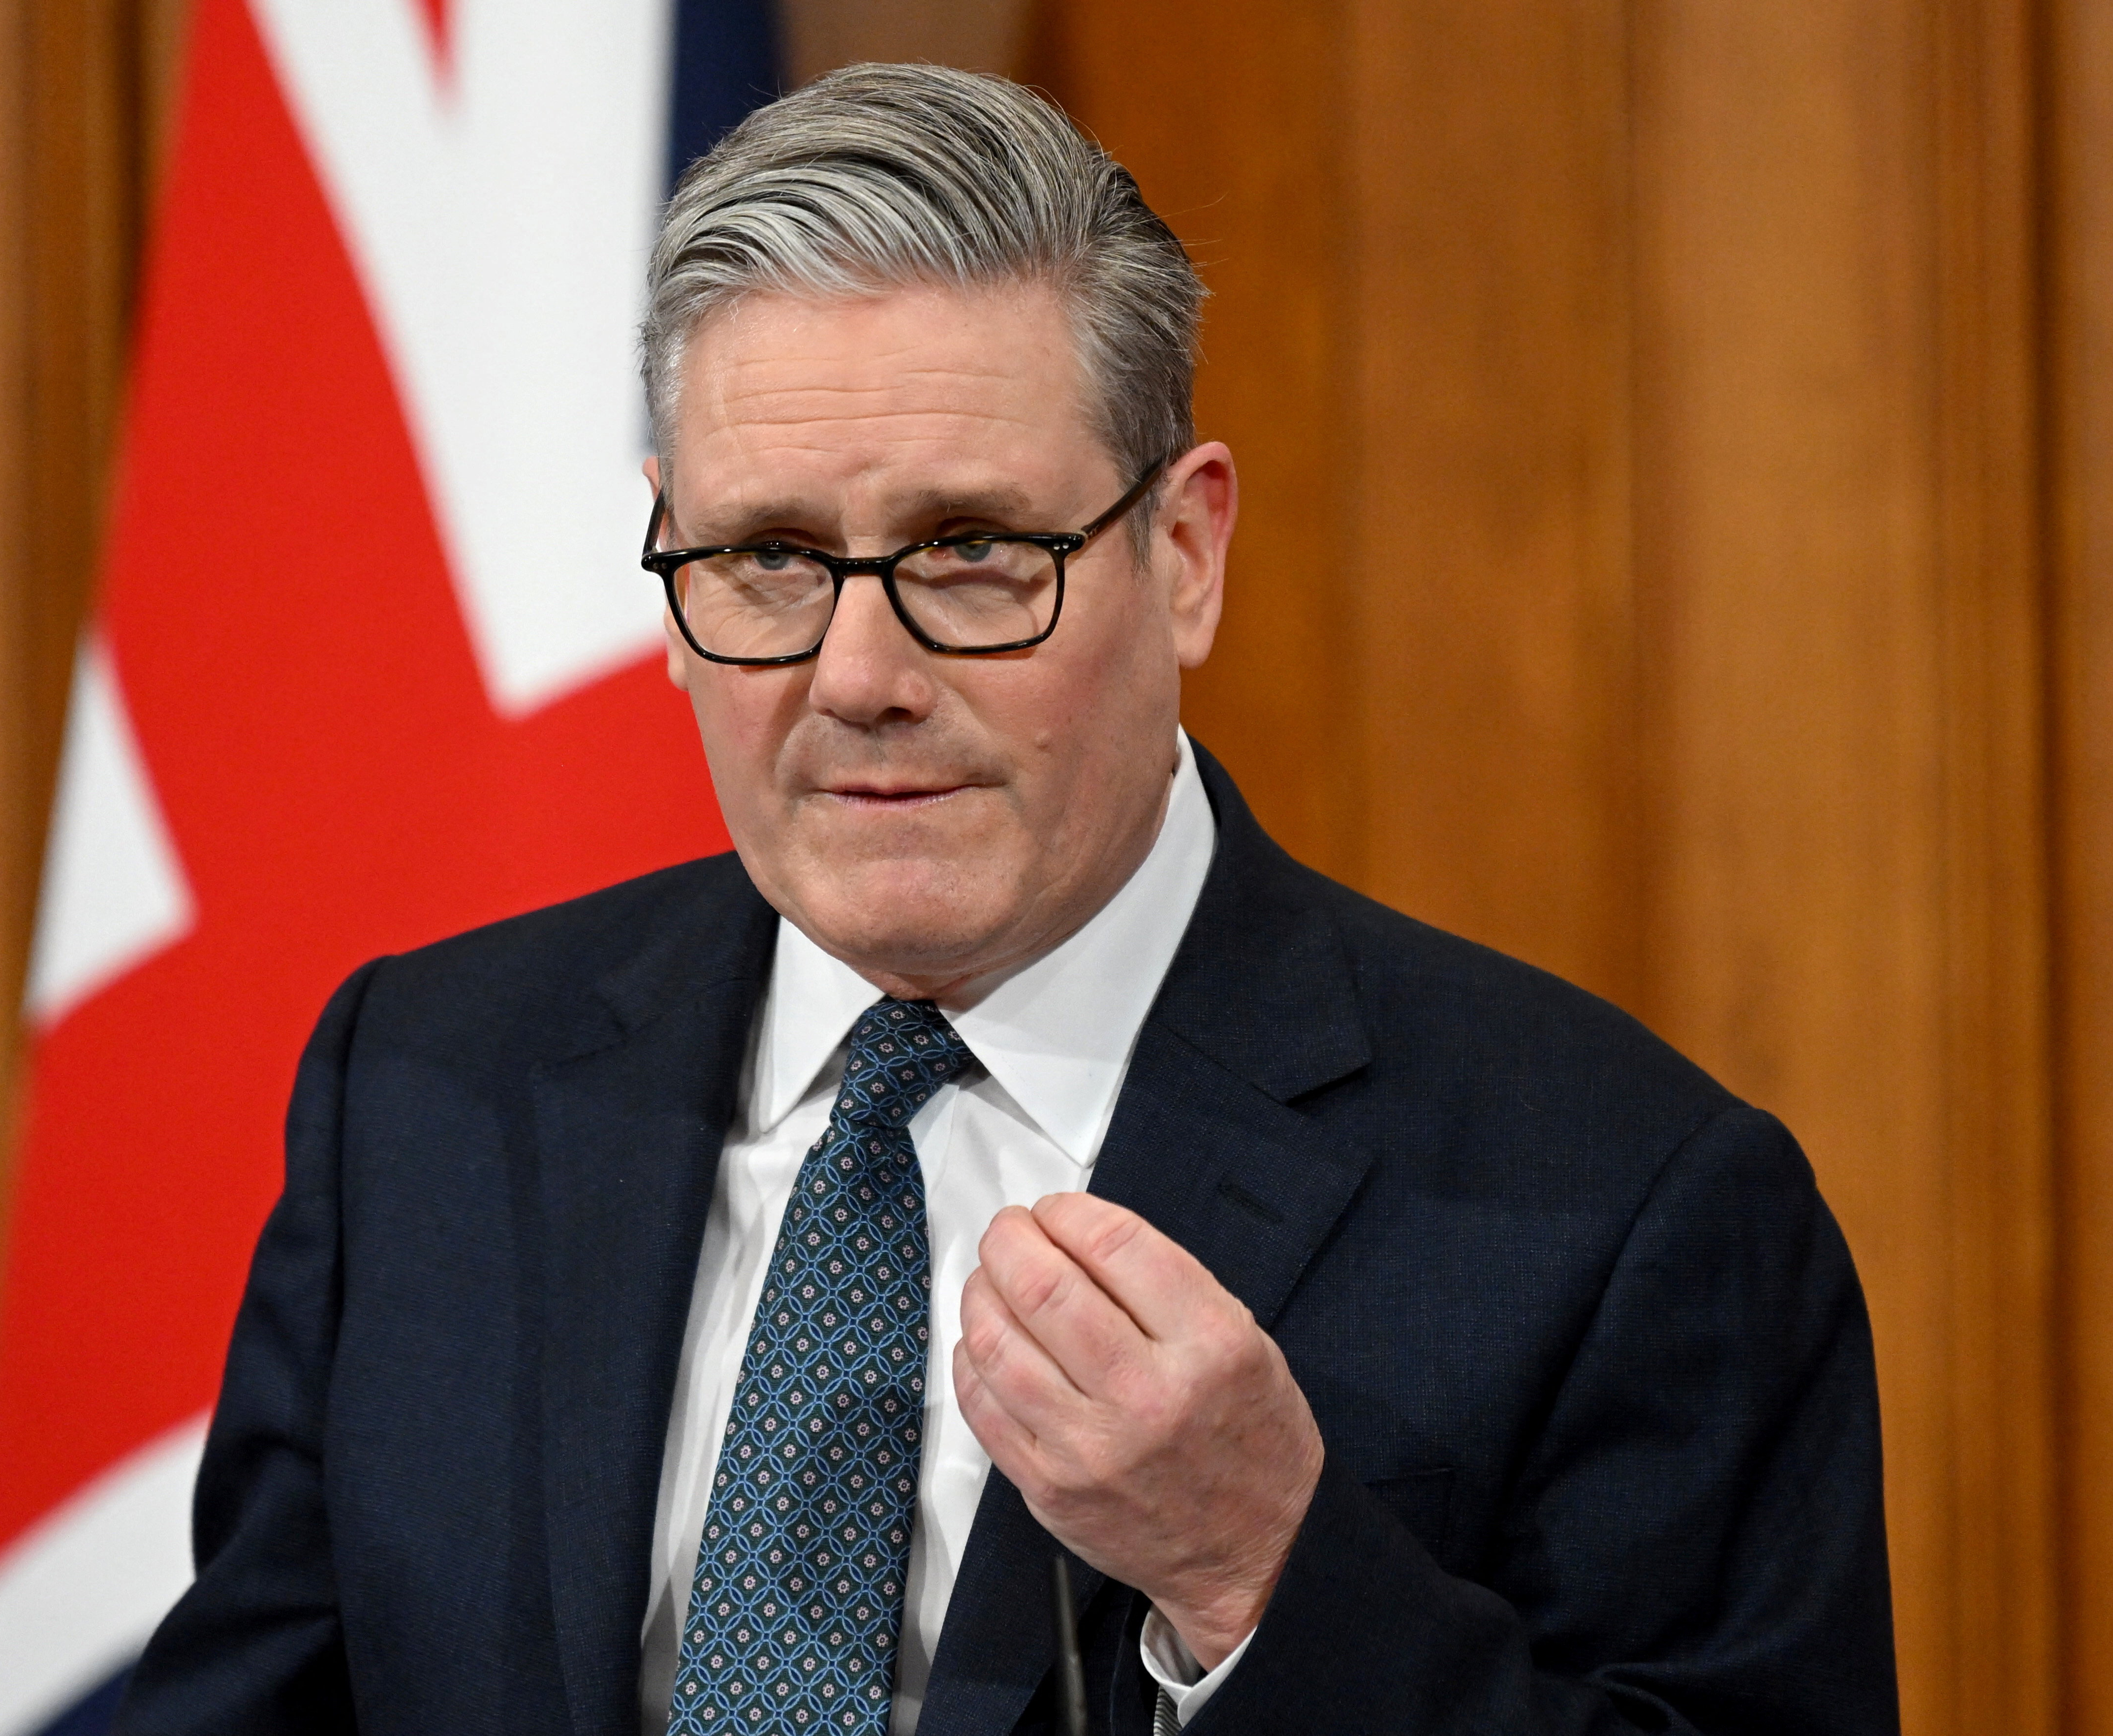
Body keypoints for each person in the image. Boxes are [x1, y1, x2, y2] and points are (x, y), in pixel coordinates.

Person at [114, 63, 1897, 1736]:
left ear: (1182, 555)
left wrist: (1265, 1576)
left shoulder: (1624, 1206)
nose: (860, 672)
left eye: (974, 551)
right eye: (770, 559)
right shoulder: (427, 1087)